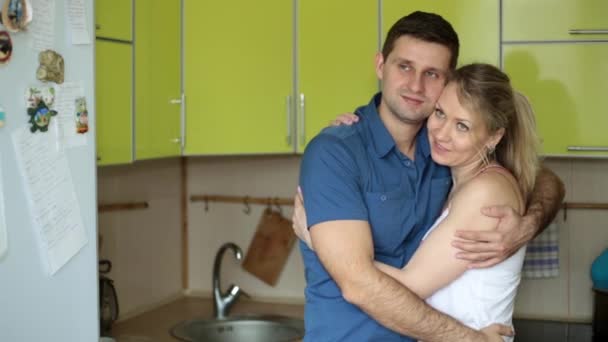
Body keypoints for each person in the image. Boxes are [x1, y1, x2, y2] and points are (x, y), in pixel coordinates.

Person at [297, 11, 565, 342]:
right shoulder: (336, 152)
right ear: (381, 65)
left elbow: (542, 179)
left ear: (447, 82)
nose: (415, 85)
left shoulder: (443, 149)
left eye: (432, 73)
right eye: (404, 66)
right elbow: (357, 284)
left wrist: (527, 223)